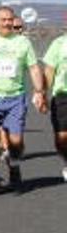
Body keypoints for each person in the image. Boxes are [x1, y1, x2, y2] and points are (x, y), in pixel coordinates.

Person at [0, 5, 47, 192]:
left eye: (10, 20)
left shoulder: (22, 43)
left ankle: (13, 163)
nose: (7, 23)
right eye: (3, 20)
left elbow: (34, 68)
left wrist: (40, 91)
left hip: (15, 98)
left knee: (16, 141)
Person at [43, 30, 67, 181]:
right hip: (62, 95)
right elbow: (49, 71)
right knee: (62, 137)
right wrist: (42, 94)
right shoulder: (59, 44)